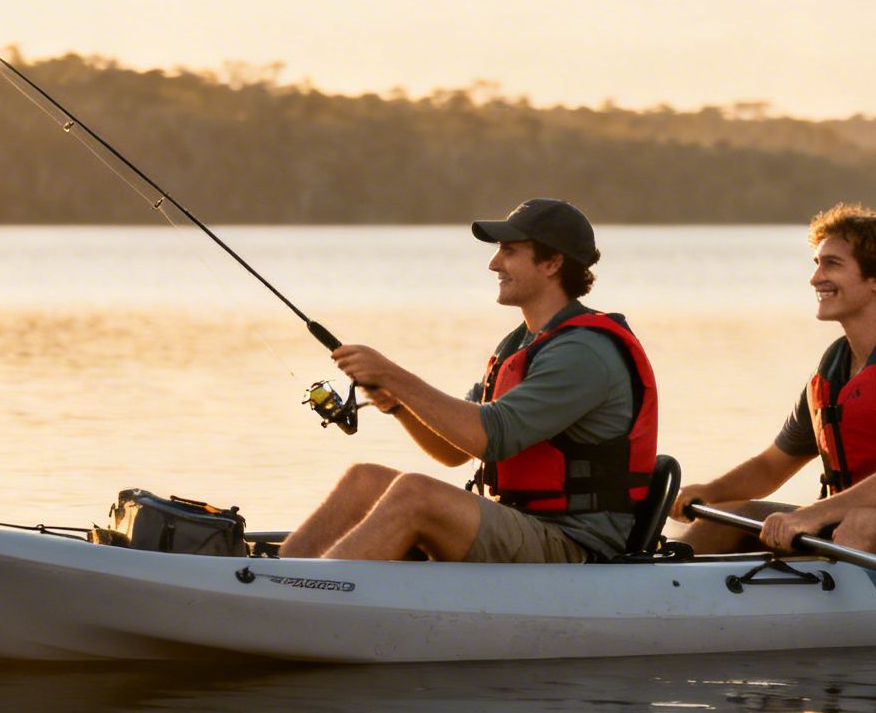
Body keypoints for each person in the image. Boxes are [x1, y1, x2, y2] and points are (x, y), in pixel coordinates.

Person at [280, 198, 659, 563]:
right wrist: (397, 402)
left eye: (510, 251)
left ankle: (305, 602)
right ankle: (278, 579)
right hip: (525, 522)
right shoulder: (521, 343)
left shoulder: (582, 352)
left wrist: (392, 374)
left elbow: (490, 437)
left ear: (552, 263)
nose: (495, 264)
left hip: (575, 542)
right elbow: (455, 452)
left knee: (416, 494)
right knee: (364, 480)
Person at [672, 203, 876, 555]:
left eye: (832, 264)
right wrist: (710, 491)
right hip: (844, 523)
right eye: (816, 264)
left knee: (863, 524)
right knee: (722, 516)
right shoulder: (835, 369)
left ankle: (823, 605)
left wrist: (810, 516)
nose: (815, 278)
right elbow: (770, 467)